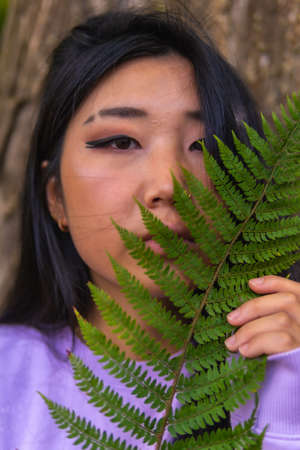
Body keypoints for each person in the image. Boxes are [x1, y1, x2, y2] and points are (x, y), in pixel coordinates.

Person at [0, 9, 299, 449]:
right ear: (55, 197)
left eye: (206, 145)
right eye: (120, 141)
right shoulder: (10, 374)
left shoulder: (287, 368)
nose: (168, 184)